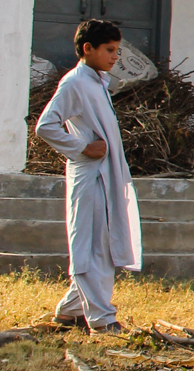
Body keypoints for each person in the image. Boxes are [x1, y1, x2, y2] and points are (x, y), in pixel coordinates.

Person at [33, 19, 141, 333]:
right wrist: (82, 146)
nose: (115, 57)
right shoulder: (74, 82)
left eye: (117, 51)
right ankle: (102, 318)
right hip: (90, 175)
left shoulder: (97, 82)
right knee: (89, 247)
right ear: (87, 49)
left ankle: (70, 311)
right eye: (109, 50)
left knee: (103, 245)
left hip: (106, 175)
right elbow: (46, 126)